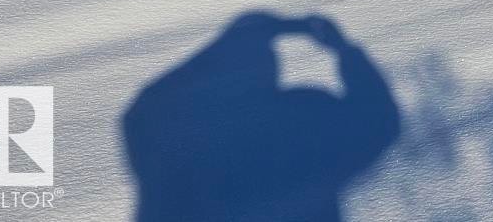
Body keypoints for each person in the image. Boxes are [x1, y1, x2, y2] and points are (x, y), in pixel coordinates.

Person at [123, 12, 401, 222]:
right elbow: (379, 121)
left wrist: (252, 35)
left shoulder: (169, 126)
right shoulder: (303, 118)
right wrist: (344, 50)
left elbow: (148, 104)